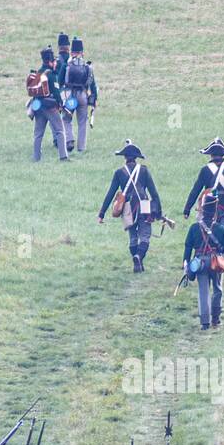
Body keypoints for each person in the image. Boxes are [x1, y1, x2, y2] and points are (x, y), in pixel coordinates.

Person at [98, 140, 162, 273]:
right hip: (144, 205)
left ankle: (136, 260)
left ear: (125, 157)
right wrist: (159, 212)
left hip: (128, 207)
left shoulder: (119, 173)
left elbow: (111, 193)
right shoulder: (144, 171)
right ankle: (139, 257)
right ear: (136, 158)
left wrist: (102, 213)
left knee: (133, 236)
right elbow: (153, 192)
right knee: (145, 235)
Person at [182, 139, 224, 241]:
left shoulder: (205, 170)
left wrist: (187, 209)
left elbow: (195, 191)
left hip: (209, 207)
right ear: (223, 155)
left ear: (211, 155)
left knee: (210, 237)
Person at [182, 193, 224, 331]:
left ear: (203, 210)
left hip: (200, 263)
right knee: (218, 289)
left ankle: (205, 323)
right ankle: (216, 319)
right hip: (216, 262)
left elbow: (188, 247)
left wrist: (186, 263)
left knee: (203, 291)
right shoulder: (220, 229)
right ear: (215, 211)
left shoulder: (194, 228)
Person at [28, 46, 69, 162]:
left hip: (38, 106)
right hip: (50, 107)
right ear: (51, 61)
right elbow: (56, 92)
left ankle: (36, 157)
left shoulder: (38, 73)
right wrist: (61, 104)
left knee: (38, 134)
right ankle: (63, 156)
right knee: (60, 131)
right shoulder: (51, 74)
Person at [59, 36, 96, 154]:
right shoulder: (87, 66)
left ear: (71, 52)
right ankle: (81, 148)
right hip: (83, 96)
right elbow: (93, 84)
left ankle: (69, 140)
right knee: (82, 122)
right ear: (82, 52)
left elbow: (60, 80)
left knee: (66, 119)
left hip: (69, 95)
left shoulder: (66, 65)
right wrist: (94, 98)